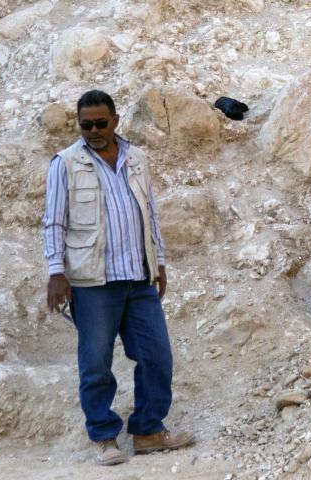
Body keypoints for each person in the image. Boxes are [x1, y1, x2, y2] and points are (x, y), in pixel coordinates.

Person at [43, 89, 194, 465]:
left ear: (115, 121)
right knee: (96, 363)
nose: (93, 130)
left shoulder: (137, 159)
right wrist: (55, 273)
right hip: (92, 282)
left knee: (157, 356)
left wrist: (158, 261)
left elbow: (151, 213)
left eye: (100, 123)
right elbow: (54, 221)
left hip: (138, 277)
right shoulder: (66, 163)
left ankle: (147, 430)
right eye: (85, 124)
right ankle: (104, 436)